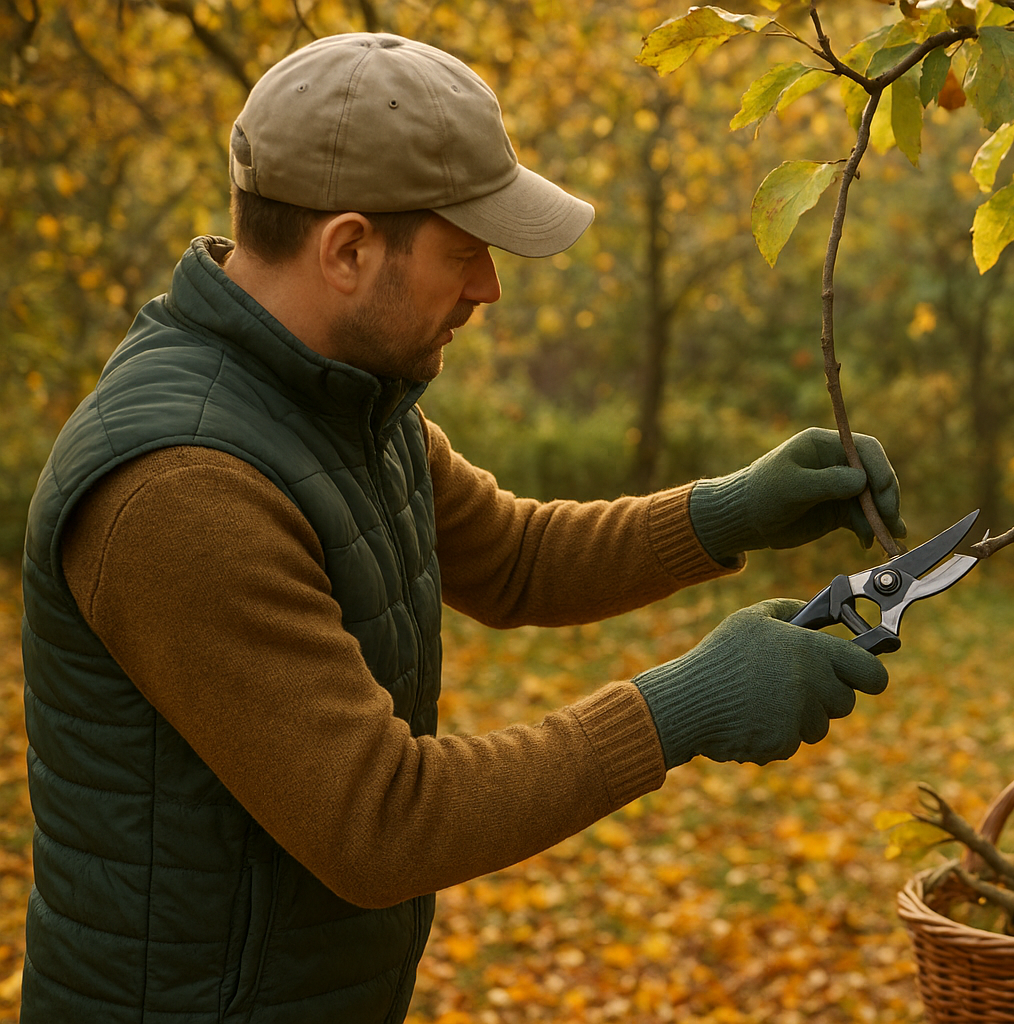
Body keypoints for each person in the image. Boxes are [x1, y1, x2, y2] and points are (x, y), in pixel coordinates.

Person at [19, 32, 906, 1024]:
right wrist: (680, 708)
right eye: (464, 252)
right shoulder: (183, 488)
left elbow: (516, 557)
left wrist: (733, 508)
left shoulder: (345, 404)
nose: (488, 287)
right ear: (348, 249)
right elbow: (380, 820)